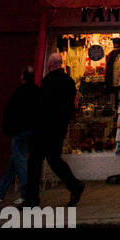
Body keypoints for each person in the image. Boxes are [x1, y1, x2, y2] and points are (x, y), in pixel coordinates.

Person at [26, 52, 85, 206]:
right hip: (59, 128)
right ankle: (74, 185)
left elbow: (42, 106)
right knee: (54, 159)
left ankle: (32, 198)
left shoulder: (48, 81)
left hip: (44, 127)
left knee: (35, 161)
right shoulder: (69, 82)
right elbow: (71, 105)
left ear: (51, 65)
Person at [0, 67, 39, 202]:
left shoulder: (19, 93)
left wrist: (9, 130)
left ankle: (26, 195)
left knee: (21, 163)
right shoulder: (37, 92)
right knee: (15, 162)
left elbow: (10, 112)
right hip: (32, 132)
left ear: (23, 77)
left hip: (20, 132)